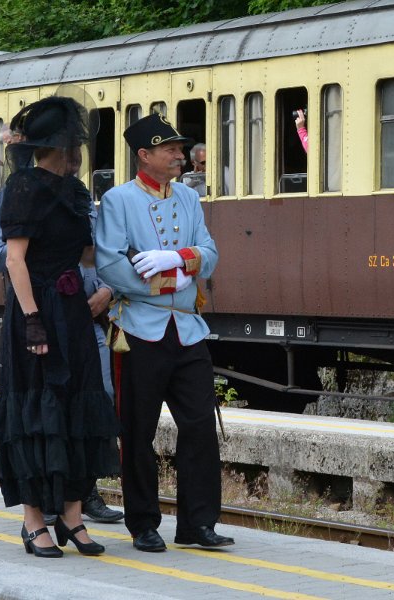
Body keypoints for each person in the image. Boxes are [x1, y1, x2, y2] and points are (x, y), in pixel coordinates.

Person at [0, 95, 120, 558]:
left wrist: (123, 253)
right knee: (33, 412)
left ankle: (71, 517)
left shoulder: (76, 192)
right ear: (56, 147)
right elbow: (15, 261)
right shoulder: (22, 187)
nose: (78, 153)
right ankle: (32, 523)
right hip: (36, 309)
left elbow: (86, 256)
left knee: (77, 405)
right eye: (72, 145)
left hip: (71, 309)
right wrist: (32, 321)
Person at [96, 113, 232, 553]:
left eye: (180, 148)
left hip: (187, 329)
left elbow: (209, 253)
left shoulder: (189, 198)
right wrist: (170, 281)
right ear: (144, 155)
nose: (180, 155)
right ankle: (143, 523)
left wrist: (178, 258)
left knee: (200, 426)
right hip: (140, 328)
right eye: (170, 149)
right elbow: (110, 263)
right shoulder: (118, 200)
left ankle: (197, 523)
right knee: (138, 431)